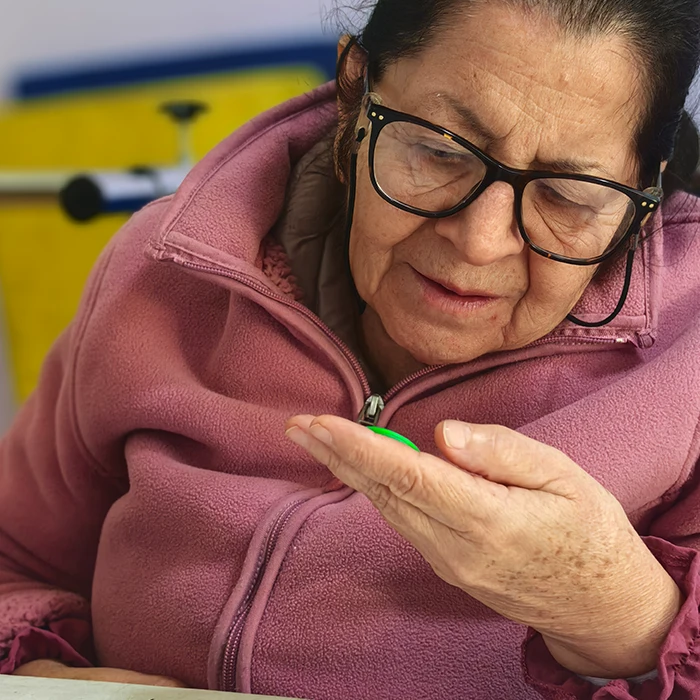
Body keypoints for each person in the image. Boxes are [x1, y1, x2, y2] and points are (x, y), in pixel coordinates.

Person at [2, 0, 700, 697]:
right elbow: (14, 556)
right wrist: (41, 675)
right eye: (441, 151)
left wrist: (615, 608)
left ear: (645, 186)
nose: (480, 241)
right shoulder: (166, 271)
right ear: (353, 94)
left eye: (568, 195)